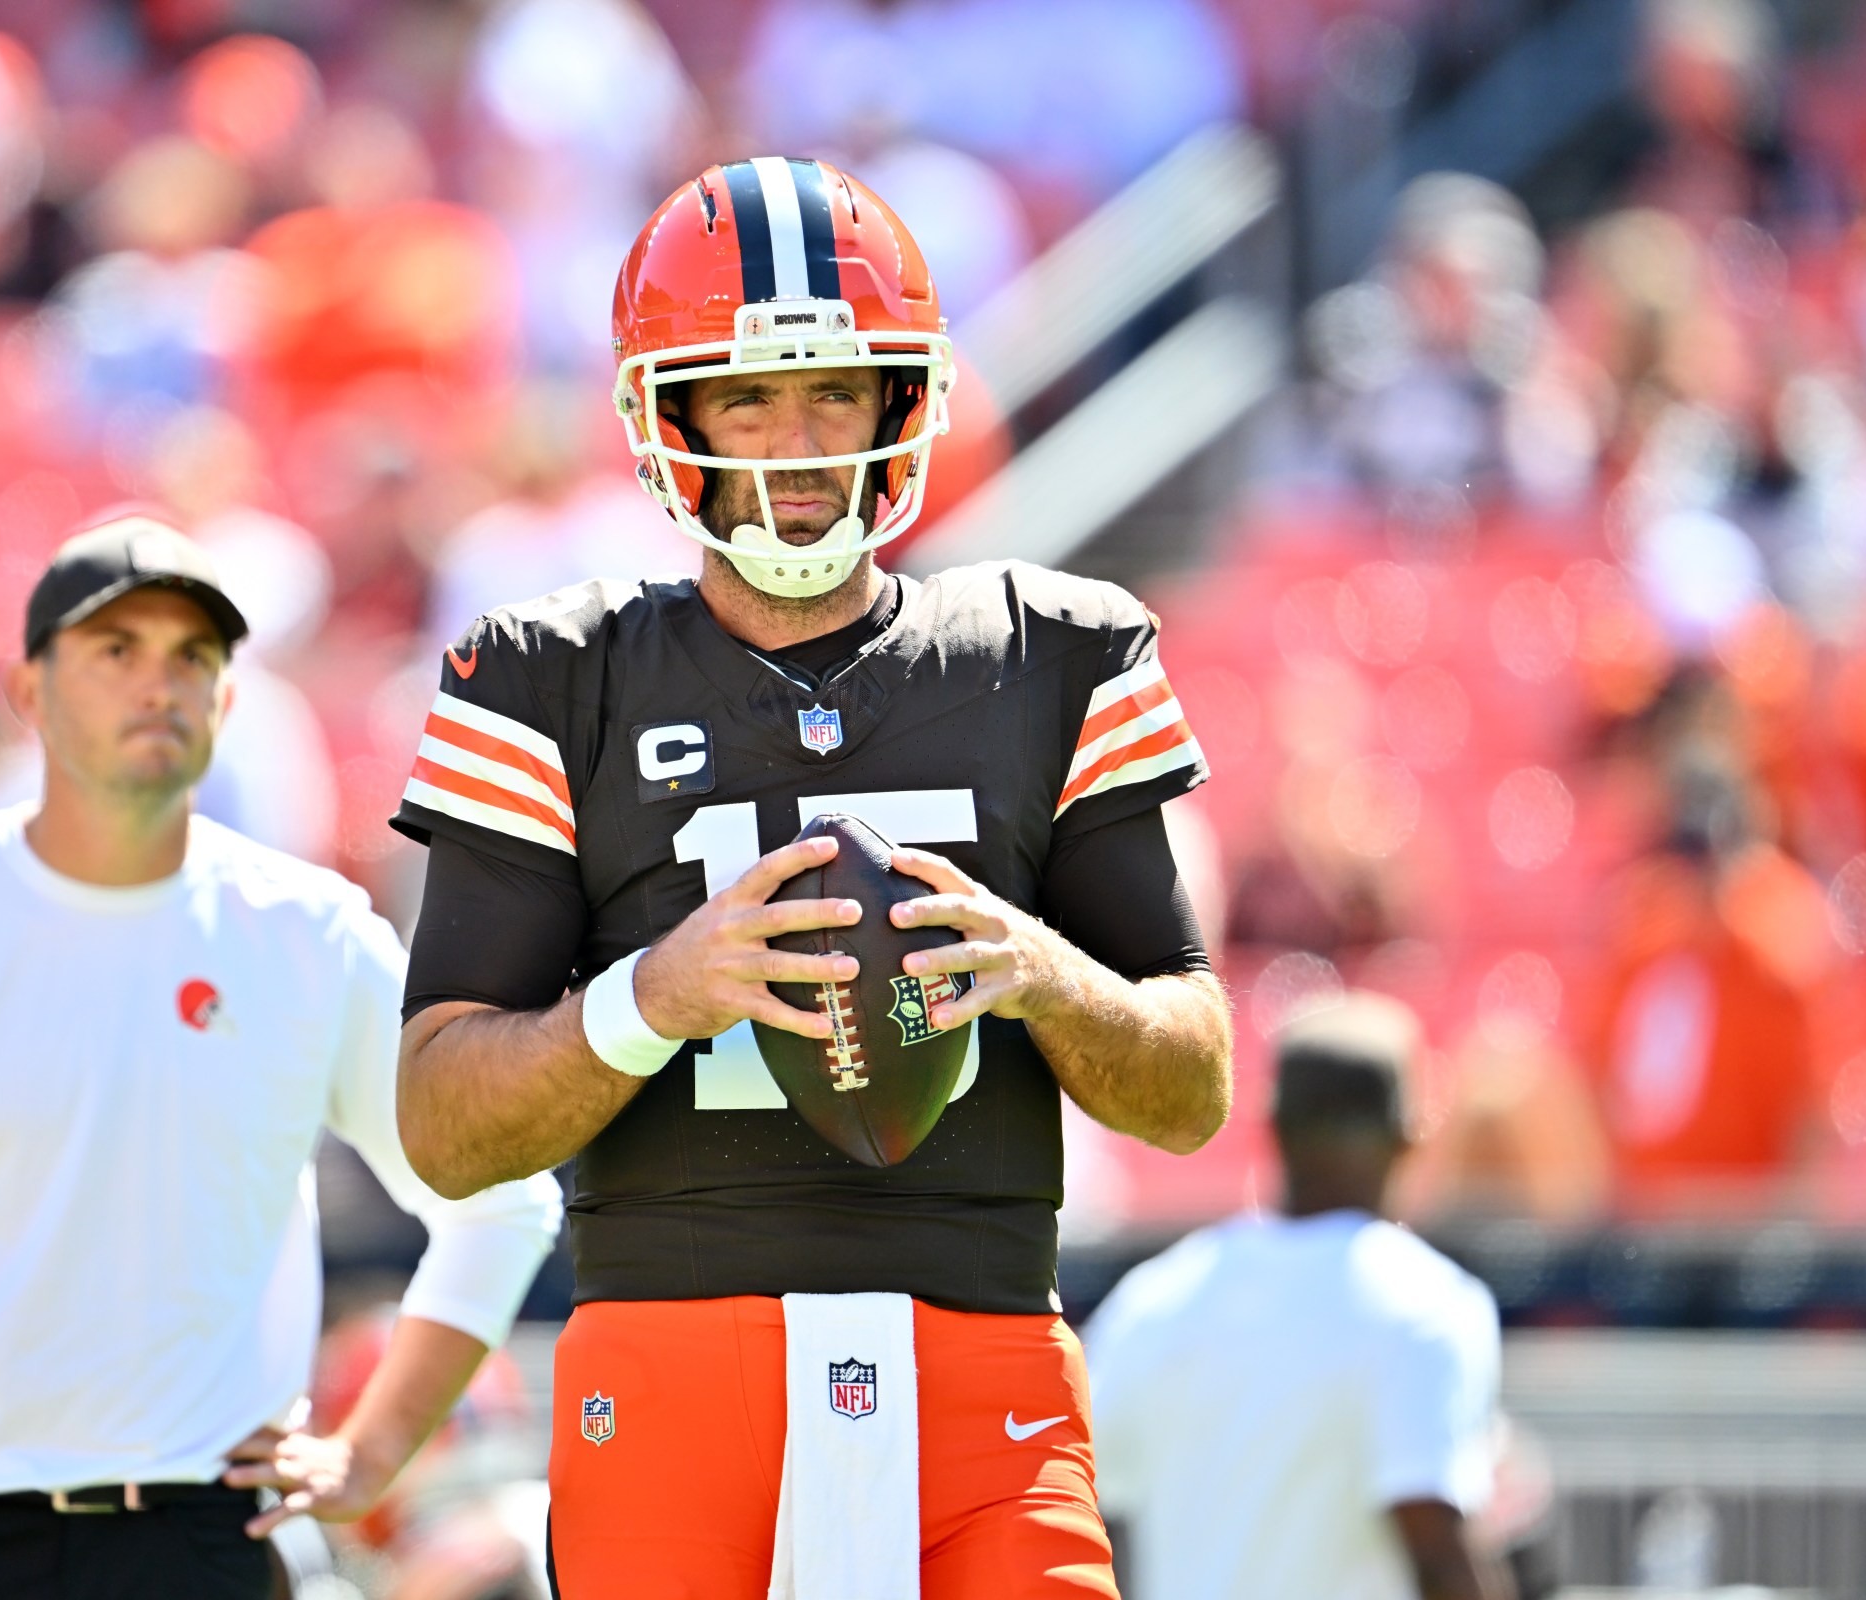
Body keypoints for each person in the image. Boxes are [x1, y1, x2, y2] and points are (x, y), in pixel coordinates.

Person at [392, 156, 1234, 1598]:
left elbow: (1192, 1090)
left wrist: (1040, 971)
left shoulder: (1056, 651)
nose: (795, 442)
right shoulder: (549, 675)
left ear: (902, 405)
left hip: (988, 1361)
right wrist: (650, 997)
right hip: (670, 1361)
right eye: (749, 396)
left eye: (835, 392)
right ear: (674, 419)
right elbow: (444, 1126)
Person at [0, 514, 561, 1597]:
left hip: (196, 1541)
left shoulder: (306, 934)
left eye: (191, 658)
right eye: (115, 651)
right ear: (29, 692)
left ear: (227, 700)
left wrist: (375, 1446)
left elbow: (500, 1198)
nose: (157, 683)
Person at [1083, 992, 1508, 1600]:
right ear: (1411, 1135)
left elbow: (1086, 1515)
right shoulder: (1426, 1305)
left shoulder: (1153, 1298)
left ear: (1273, 1126)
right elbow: (1437, 1551)